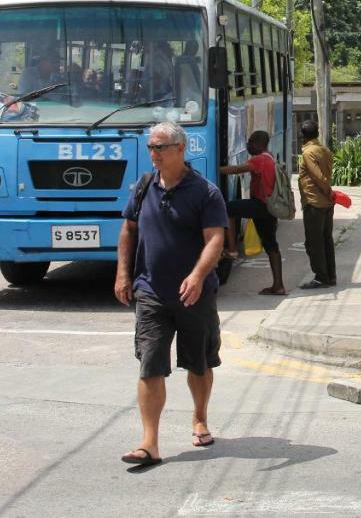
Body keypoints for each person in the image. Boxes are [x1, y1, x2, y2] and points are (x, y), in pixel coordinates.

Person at [114, 121, 227, 467]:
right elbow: (128, 230)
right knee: (150, 364)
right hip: (151, 293)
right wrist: (123, 273)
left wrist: (196, 275)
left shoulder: (205, 192)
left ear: (181, 149)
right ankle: (149, 443)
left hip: (195, 294)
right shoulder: (144, 187)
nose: (154, 154)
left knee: (199, 363)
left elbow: (216, 240)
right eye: (151, 147)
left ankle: (200, 417)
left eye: (160, 147)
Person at [219, 130, 284, 295]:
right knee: (271, 245)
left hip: (260, 205)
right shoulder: (269, 157)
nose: (248, 145)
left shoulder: (259, 159)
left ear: (257, 143)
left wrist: (218, 169)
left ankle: (232, 249)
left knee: (228, 208)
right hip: (270, 207)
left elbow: (237, 169)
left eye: (249, 142)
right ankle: (278, 285)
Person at [297, 120, 336, 289]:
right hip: (327, 203)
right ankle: (330, 276)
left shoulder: (308, 153)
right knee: (326, 240)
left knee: (314, 242)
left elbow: (318, 177)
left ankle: (321, 277)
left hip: (314, 202)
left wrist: (327, 191)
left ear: (302, 136)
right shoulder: (324, 149)